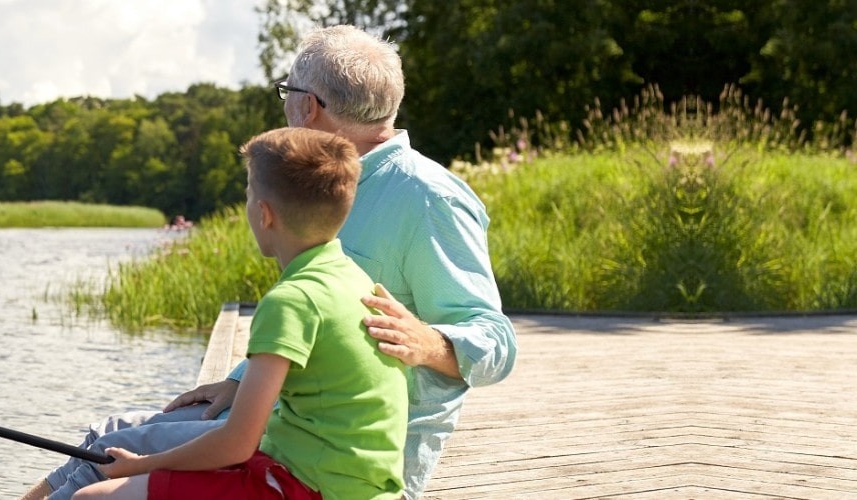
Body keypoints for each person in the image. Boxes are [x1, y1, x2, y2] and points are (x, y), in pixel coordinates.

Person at [28, 25, 517, 499]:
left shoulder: (428, 198)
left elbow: (497, 343)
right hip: (282, 421)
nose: (283, 105)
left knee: (114, 452)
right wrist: (239, 382)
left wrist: (430, 342)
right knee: (108, 438)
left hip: (346, 463)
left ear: (306, 106)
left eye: (286, 91)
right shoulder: (324, 184)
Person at [73, 127, 409, 500]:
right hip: (350, 481)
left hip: (312, 488)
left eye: (249, 195)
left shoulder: (293, 299)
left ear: (264, 214)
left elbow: (237, 443)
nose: (248, 205)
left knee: (92, 497)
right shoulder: (353, 277)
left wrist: (141, 464)